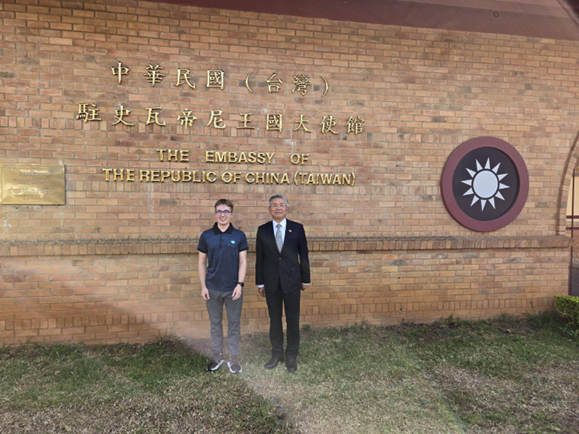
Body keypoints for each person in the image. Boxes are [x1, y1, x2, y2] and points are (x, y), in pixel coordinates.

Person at [256, 194, 310, 372]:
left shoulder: (297, 228)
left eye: (281, 205)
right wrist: (260, 283)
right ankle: (276, 354)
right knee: (275, 321)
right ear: (269, 210)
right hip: (271, 283)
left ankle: (291, 356)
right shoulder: (262, 230)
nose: (278, 208)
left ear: (287, 209)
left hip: (292, 282)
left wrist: (305, 279)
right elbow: (260, 258)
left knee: (293, 321)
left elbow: (303, 255)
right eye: (274, 205)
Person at [198, 199, 248, 374]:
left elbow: (243, 262)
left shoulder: (239, 236)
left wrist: (240, 284)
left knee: (234, 323)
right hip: (212, 288)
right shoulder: (206, 236)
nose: (222, 214)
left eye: (226, 211)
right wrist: (203, 286)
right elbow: (201, 262)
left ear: (231, 214)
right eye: (219, 211)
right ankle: (217, 355)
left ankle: (234, 357)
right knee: (215, 323)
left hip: (233, 288)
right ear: (215, 214)